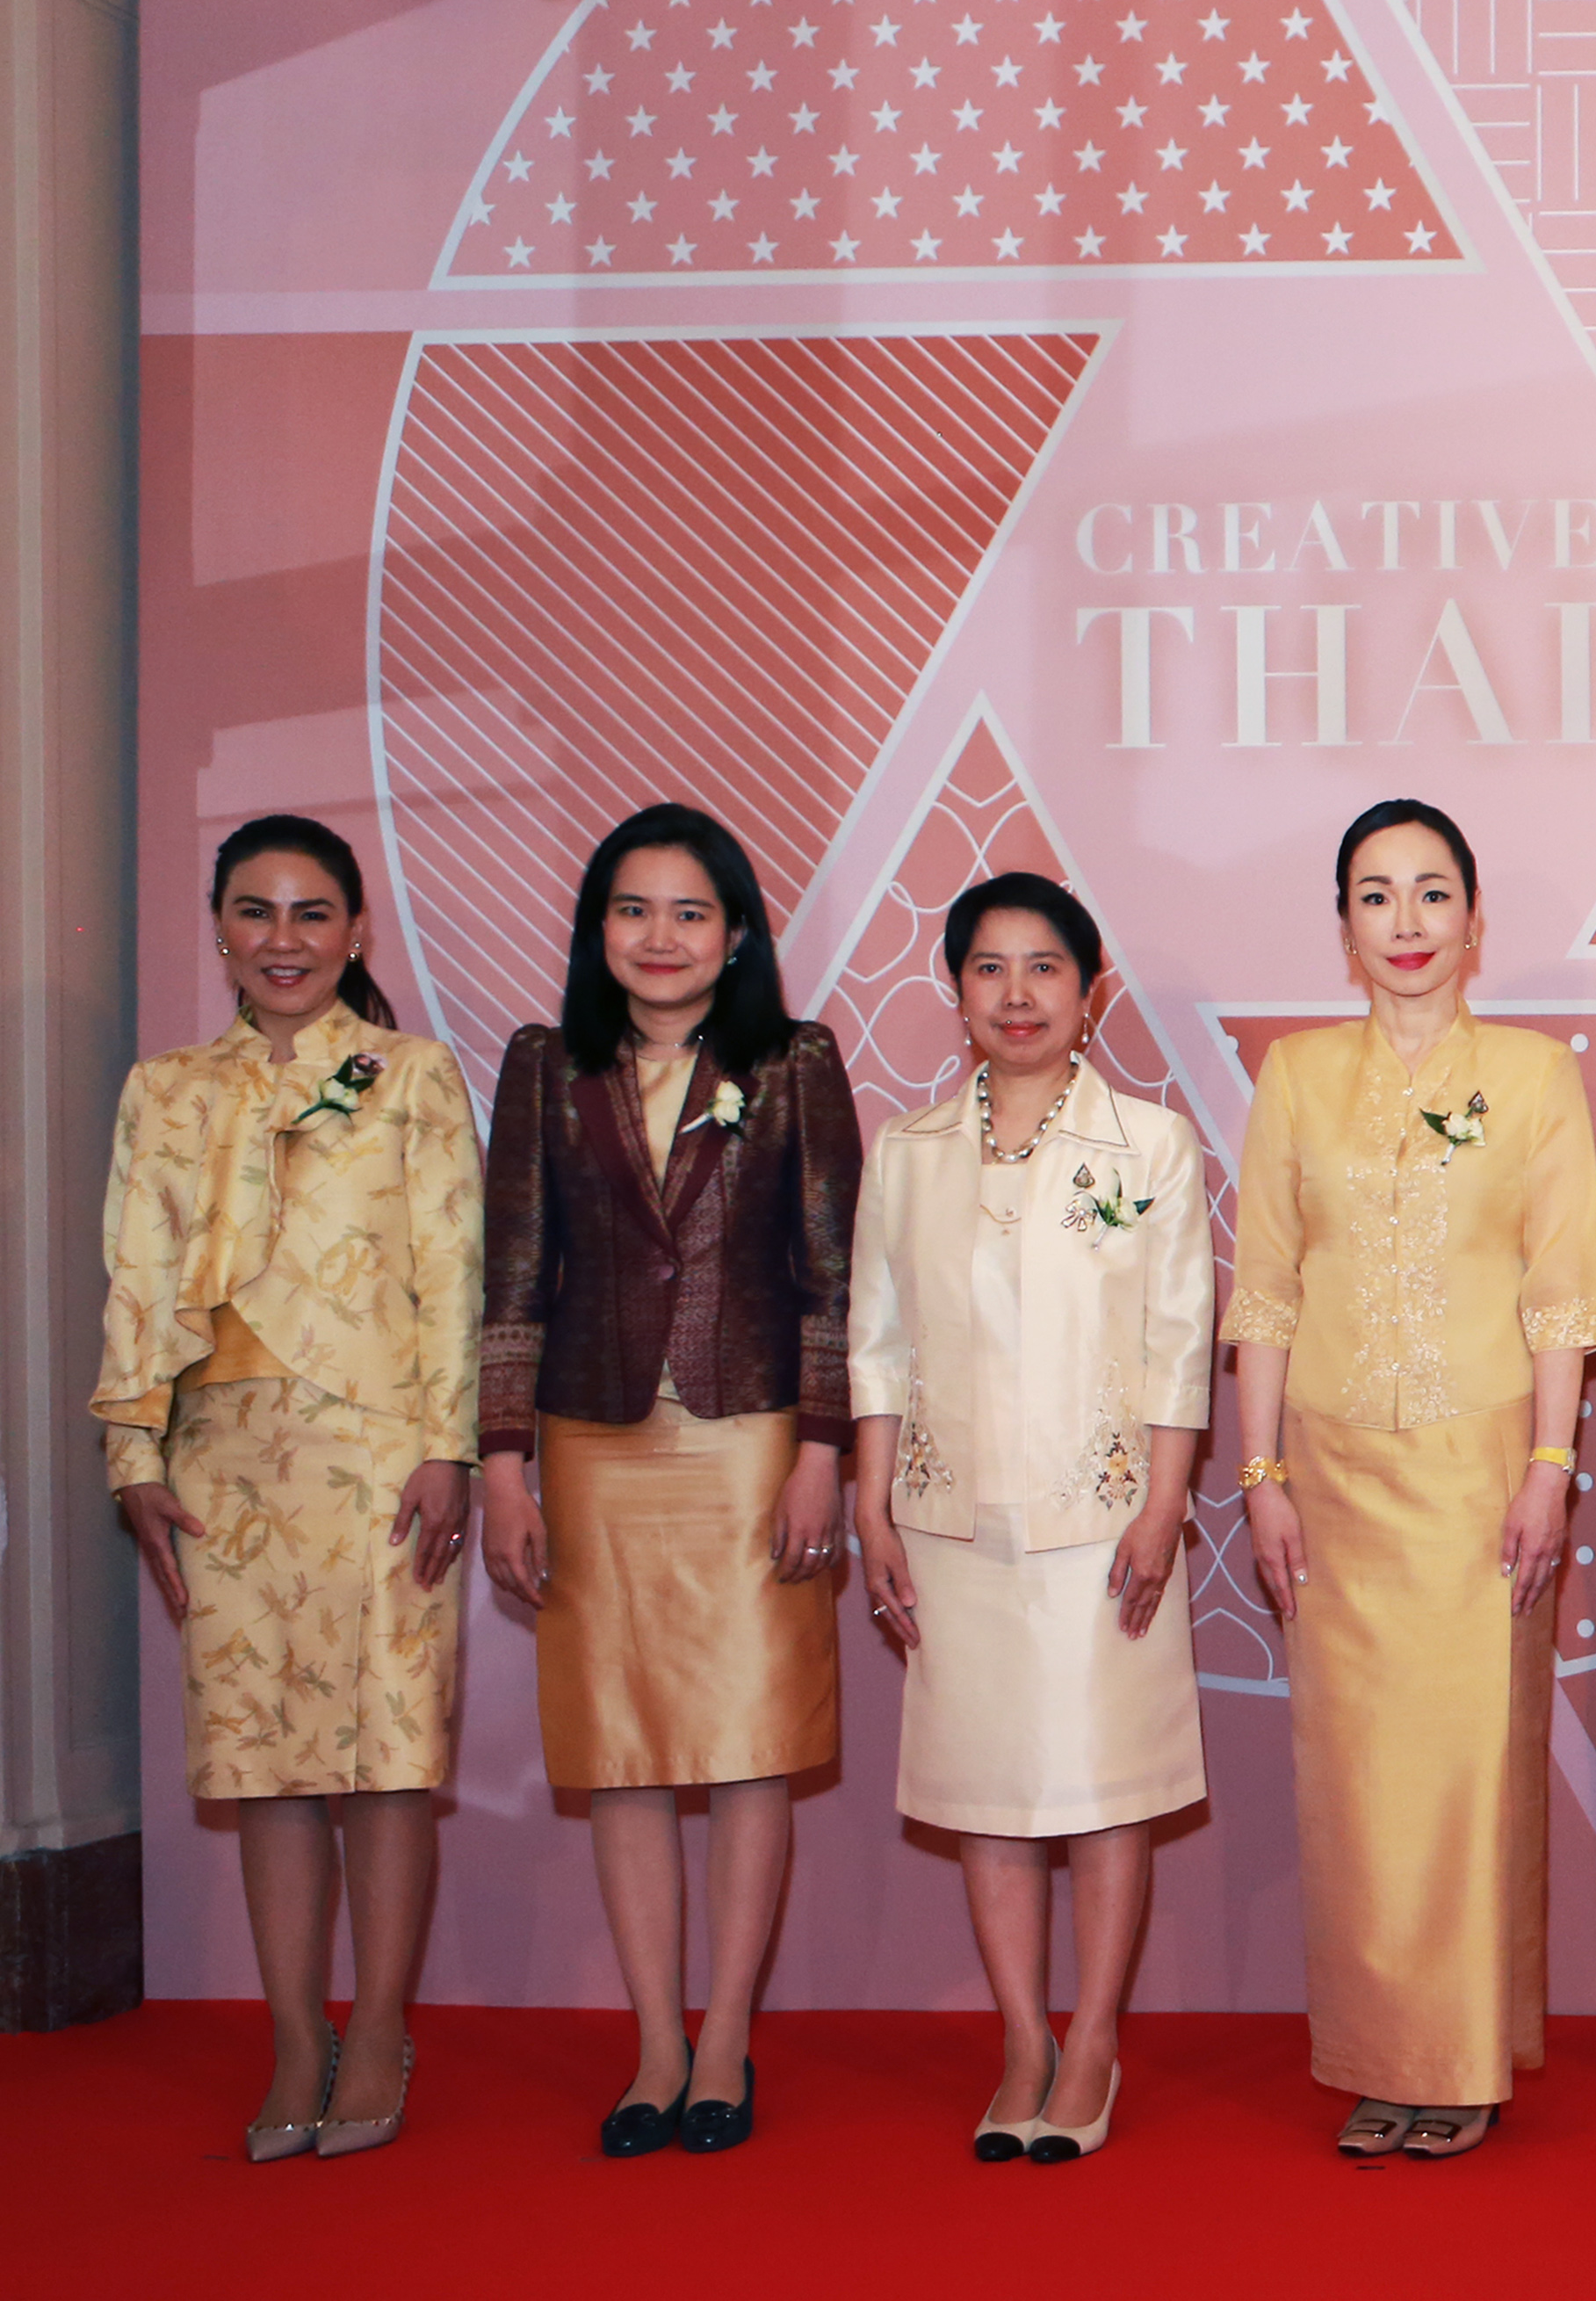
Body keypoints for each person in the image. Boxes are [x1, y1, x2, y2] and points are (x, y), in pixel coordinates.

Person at [475, 801, 863, 2158]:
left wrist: (824, 1449)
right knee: (624, 1756)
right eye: (632, 910)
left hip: (750, 1437)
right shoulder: (544, 1069)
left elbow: (833, 1281)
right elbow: (512, 1277)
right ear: (597, 932)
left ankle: (728, 2043)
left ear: (738, 932)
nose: (660, 936)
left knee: (752, 1754)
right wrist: (503, 1466)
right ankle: (653, 2046)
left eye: (691, 912)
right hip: (592, 1443)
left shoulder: (795, 1062)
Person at [1224, 799, 1596, 2160]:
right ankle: (1384, 2055)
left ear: (1474, 918)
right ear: (1343, 925)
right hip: (1326, 1475)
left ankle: (1459, 2059)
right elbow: (1263, 1293)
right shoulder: (1294, 1077)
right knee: (1353, 1778)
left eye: (1431, 894)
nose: (1405, 924)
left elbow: (1565, 1297)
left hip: (1479, 1471)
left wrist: (1552, 1470)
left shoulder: (1535, 1076)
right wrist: (1260, 1476)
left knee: (1466, 1772)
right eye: (1375, 897)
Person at [95, 815, 479, 2160]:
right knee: (264, 1770)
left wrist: (450, 1444)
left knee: (384, 1758)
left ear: (356, 931)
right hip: (221, 1454)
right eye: (255, 912)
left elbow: (453, 1274)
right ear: (217, 927)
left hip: (380, 1451)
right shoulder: (166, 1089)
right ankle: (290, 2039)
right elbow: (136, 1278)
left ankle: (376, 2028)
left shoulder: (410, 1077)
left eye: (312, 914)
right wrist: (133, 1451)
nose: (283, 940)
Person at [849, 873, 1214, 2165]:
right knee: (990, 1797)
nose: (1018, 995)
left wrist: (1165, 1505)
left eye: (1045, 968)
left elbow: (1181, 1343)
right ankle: (1021, 2039)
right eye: (990, 969)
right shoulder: (905, 1153)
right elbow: (878, 1345)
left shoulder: (1150, 1147)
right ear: (956, 991)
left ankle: (1097, 2037)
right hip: (951, 1524)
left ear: (1092, 987)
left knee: (1107, 1796)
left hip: (1106, 1521)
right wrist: (873, 1504)